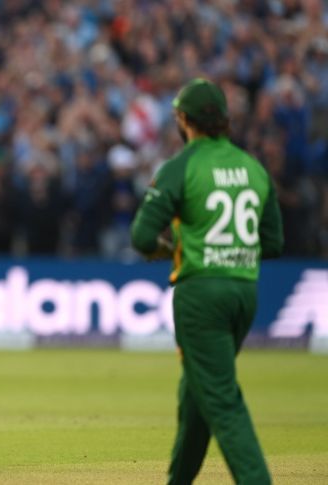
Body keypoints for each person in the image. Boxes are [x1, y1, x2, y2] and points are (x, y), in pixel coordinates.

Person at [130, 78, 283, 485]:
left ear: (184, 119)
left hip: (201, 294)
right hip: (245, 292)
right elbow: (275, 241)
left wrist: (175, 244)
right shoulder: (253, 167)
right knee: (197, 393)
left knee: (221, 398)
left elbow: (142, 237)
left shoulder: (181, 166)